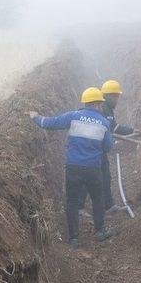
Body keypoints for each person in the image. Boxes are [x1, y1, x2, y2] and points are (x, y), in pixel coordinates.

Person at [29, 87, 113, 248]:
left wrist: (35, 117)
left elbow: (49, 123)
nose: (102, 106)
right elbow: (108, 147)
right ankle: (100, 232)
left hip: (73, 167)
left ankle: (74, 238)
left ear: (86, 103)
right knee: (97, 198)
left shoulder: (73, 116)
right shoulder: (104, 123)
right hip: (93, 169)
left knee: (72, 202)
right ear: (96, 104)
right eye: (101, 104)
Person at [78, 80, 134, 216]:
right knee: (90, 176)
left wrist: (131, 131)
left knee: (105, 176)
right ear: (107, 96)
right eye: (115, 96)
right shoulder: (104, 109)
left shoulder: (106, 108)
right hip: (93, 148)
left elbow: (112, 128)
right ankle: (79, 207)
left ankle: (108, 205)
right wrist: (131, 130)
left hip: (96, 147)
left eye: (117, 96)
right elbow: (113, 128)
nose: (117, 100)